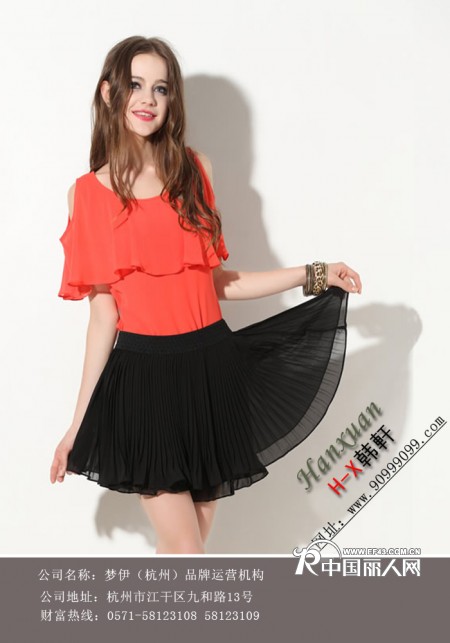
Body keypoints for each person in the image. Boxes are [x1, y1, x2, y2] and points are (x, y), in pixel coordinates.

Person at [50, 35, 362, 555]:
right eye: (135, 85)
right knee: (188, 552)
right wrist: (76, 427)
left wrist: (313, 274)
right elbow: (103, 317)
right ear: (108, 93)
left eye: (161, 88)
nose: (148, 99)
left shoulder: (195, 171)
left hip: (212, 371)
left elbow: (218, 283)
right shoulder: (87, 195)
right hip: (144, 384)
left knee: (184, 550)